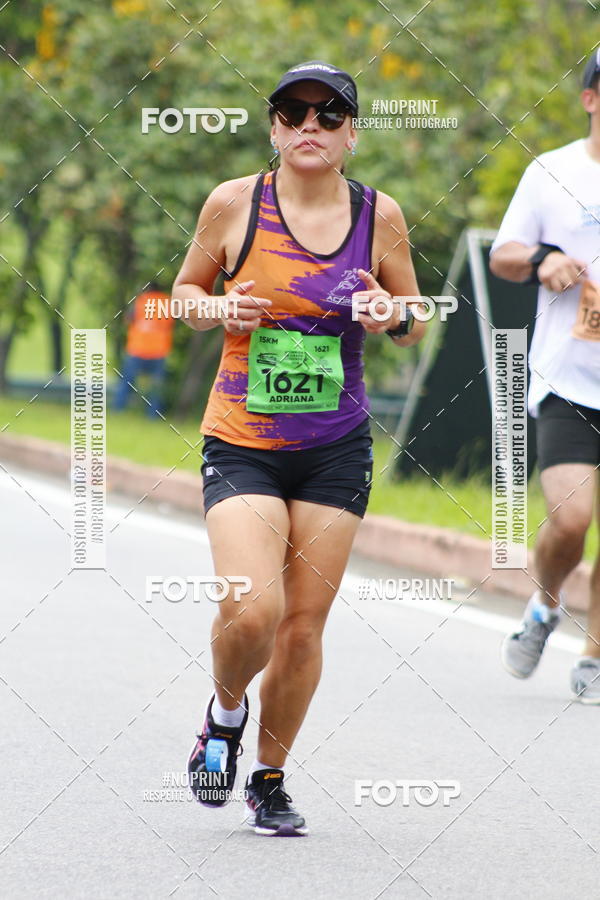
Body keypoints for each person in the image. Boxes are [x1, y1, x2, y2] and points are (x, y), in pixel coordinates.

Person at [172, 60, 426, 835]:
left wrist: (392, 312)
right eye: (293, 113)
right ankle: (222, 717)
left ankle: (270, 781)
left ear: (352, 132)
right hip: (243, 438)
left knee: (303, 627)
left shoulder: (380, 216)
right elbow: (175, 296)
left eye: (327, 115)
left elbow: (414, 308)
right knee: (253, 611)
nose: (308, 127)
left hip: (335, 447)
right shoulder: (233, 204)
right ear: (274, 127)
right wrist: (218, 307)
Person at [489, 48, 600, 702]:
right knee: (572, 518)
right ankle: (544, 605)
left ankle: (595, 650)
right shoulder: (552, 172)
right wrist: (543, 259)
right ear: (590, 97)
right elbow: (504, 252)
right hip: (570, 382)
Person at [114, 281, 173, 417]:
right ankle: (153, 415)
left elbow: (128, 319)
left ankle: (118, 410)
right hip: (159, 350)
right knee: (156, 386)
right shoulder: (167, 302)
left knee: (126, 382)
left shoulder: (141, 301)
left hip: (137, 349)